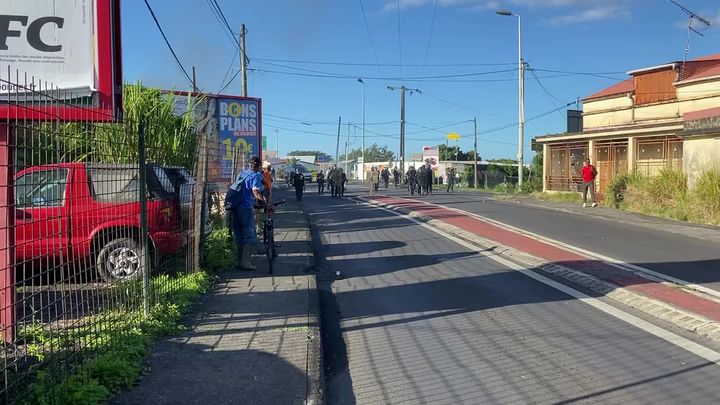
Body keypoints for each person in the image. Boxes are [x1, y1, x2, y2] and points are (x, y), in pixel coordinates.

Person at [228, 156, 270, 271]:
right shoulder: (255, 175)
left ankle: (239, 261)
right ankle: (245, 263)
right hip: (245, 207)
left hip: (235, 206)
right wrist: (265, 204)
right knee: (249, 234)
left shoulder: (242, 173)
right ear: (258, 166)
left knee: (239, 234)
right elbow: (255, 190)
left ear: (249, 164)